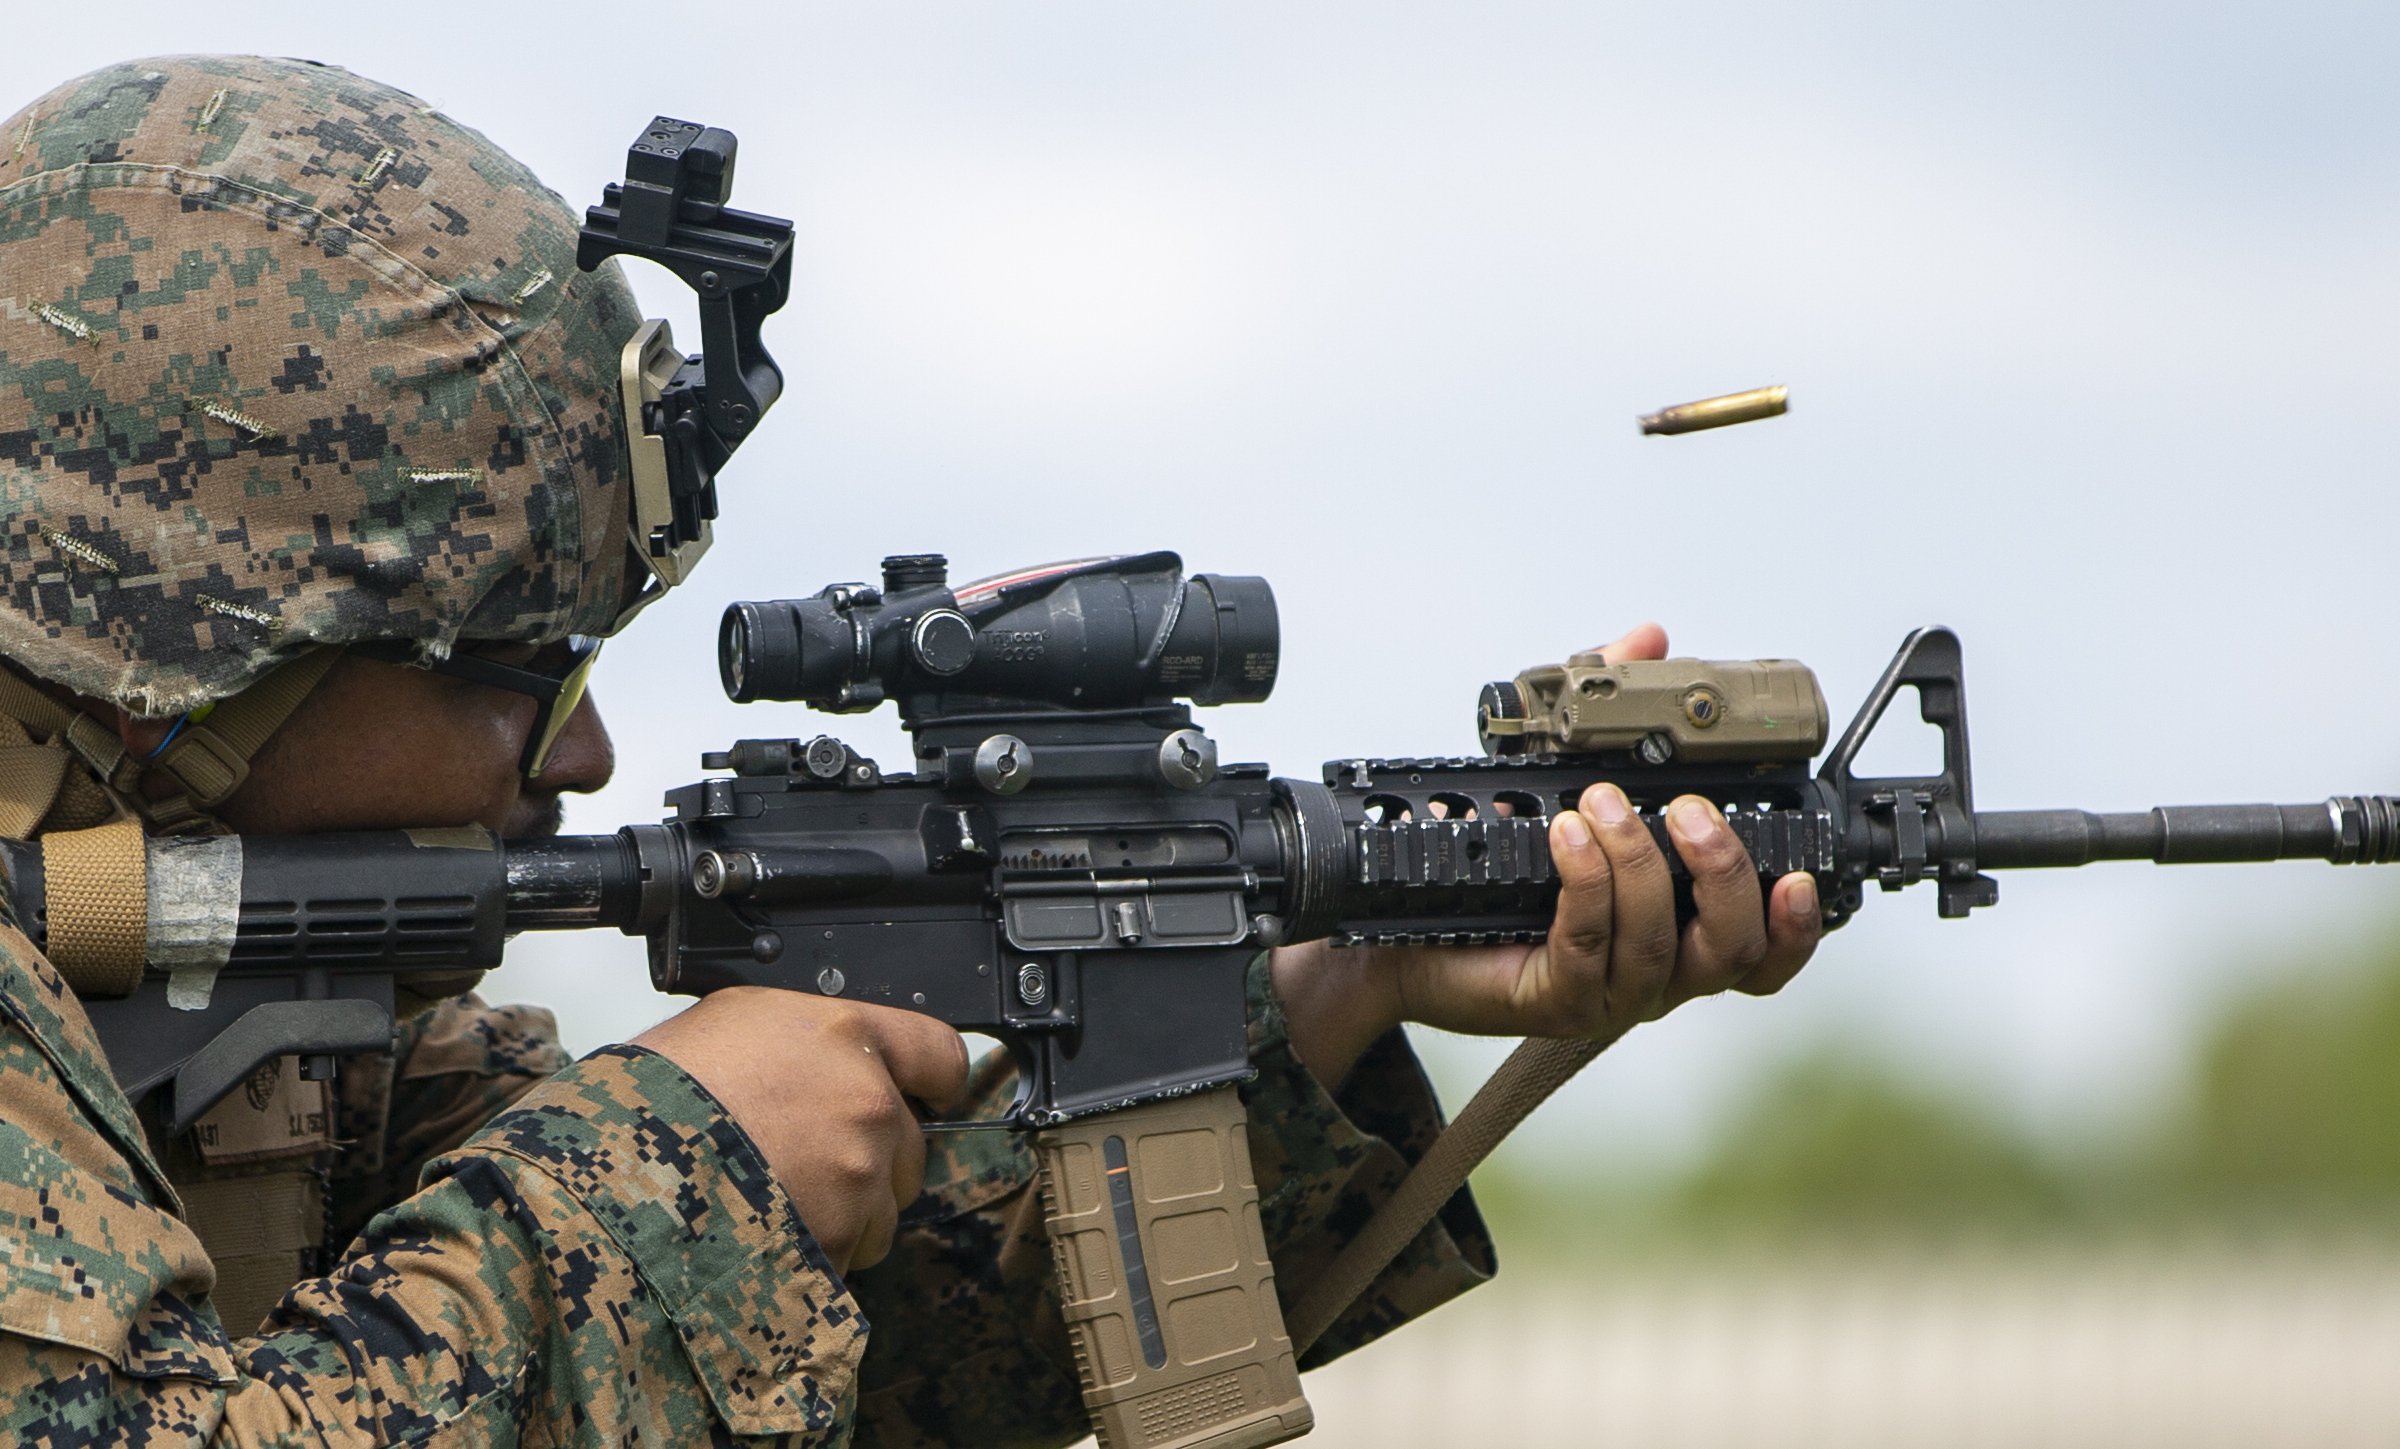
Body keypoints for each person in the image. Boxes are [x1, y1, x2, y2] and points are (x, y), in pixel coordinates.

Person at [0, 55, 1824, 1447]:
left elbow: (850, 1380)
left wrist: (1328, 981)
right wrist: (678, 1162)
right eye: (514, 666)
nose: (582, 752)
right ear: (183, 640)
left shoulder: (281, 1018)